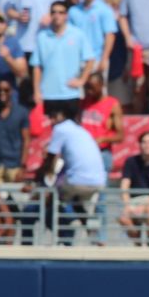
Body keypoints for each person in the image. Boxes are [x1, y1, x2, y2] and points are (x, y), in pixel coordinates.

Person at [40, 101, 106, 245]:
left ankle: (64, 234)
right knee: (73, 198)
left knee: (52, 198)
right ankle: (88, 227)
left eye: (53, 117)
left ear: (62, 116)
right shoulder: (80, 130)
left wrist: (39, 178)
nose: (51, 121)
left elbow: (50, 158)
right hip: (99, 182)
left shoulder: (60, 129)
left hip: (78, 182)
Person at [118, 129, 149, 246]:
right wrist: (127, 205)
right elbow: (124, 185)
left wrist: (144, 206)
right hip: (135, 200)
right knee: (123, 218)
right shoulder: (131, 162)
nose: (147, 145)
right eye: (144, 142)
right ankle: (138, 244)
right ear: (139, 145)